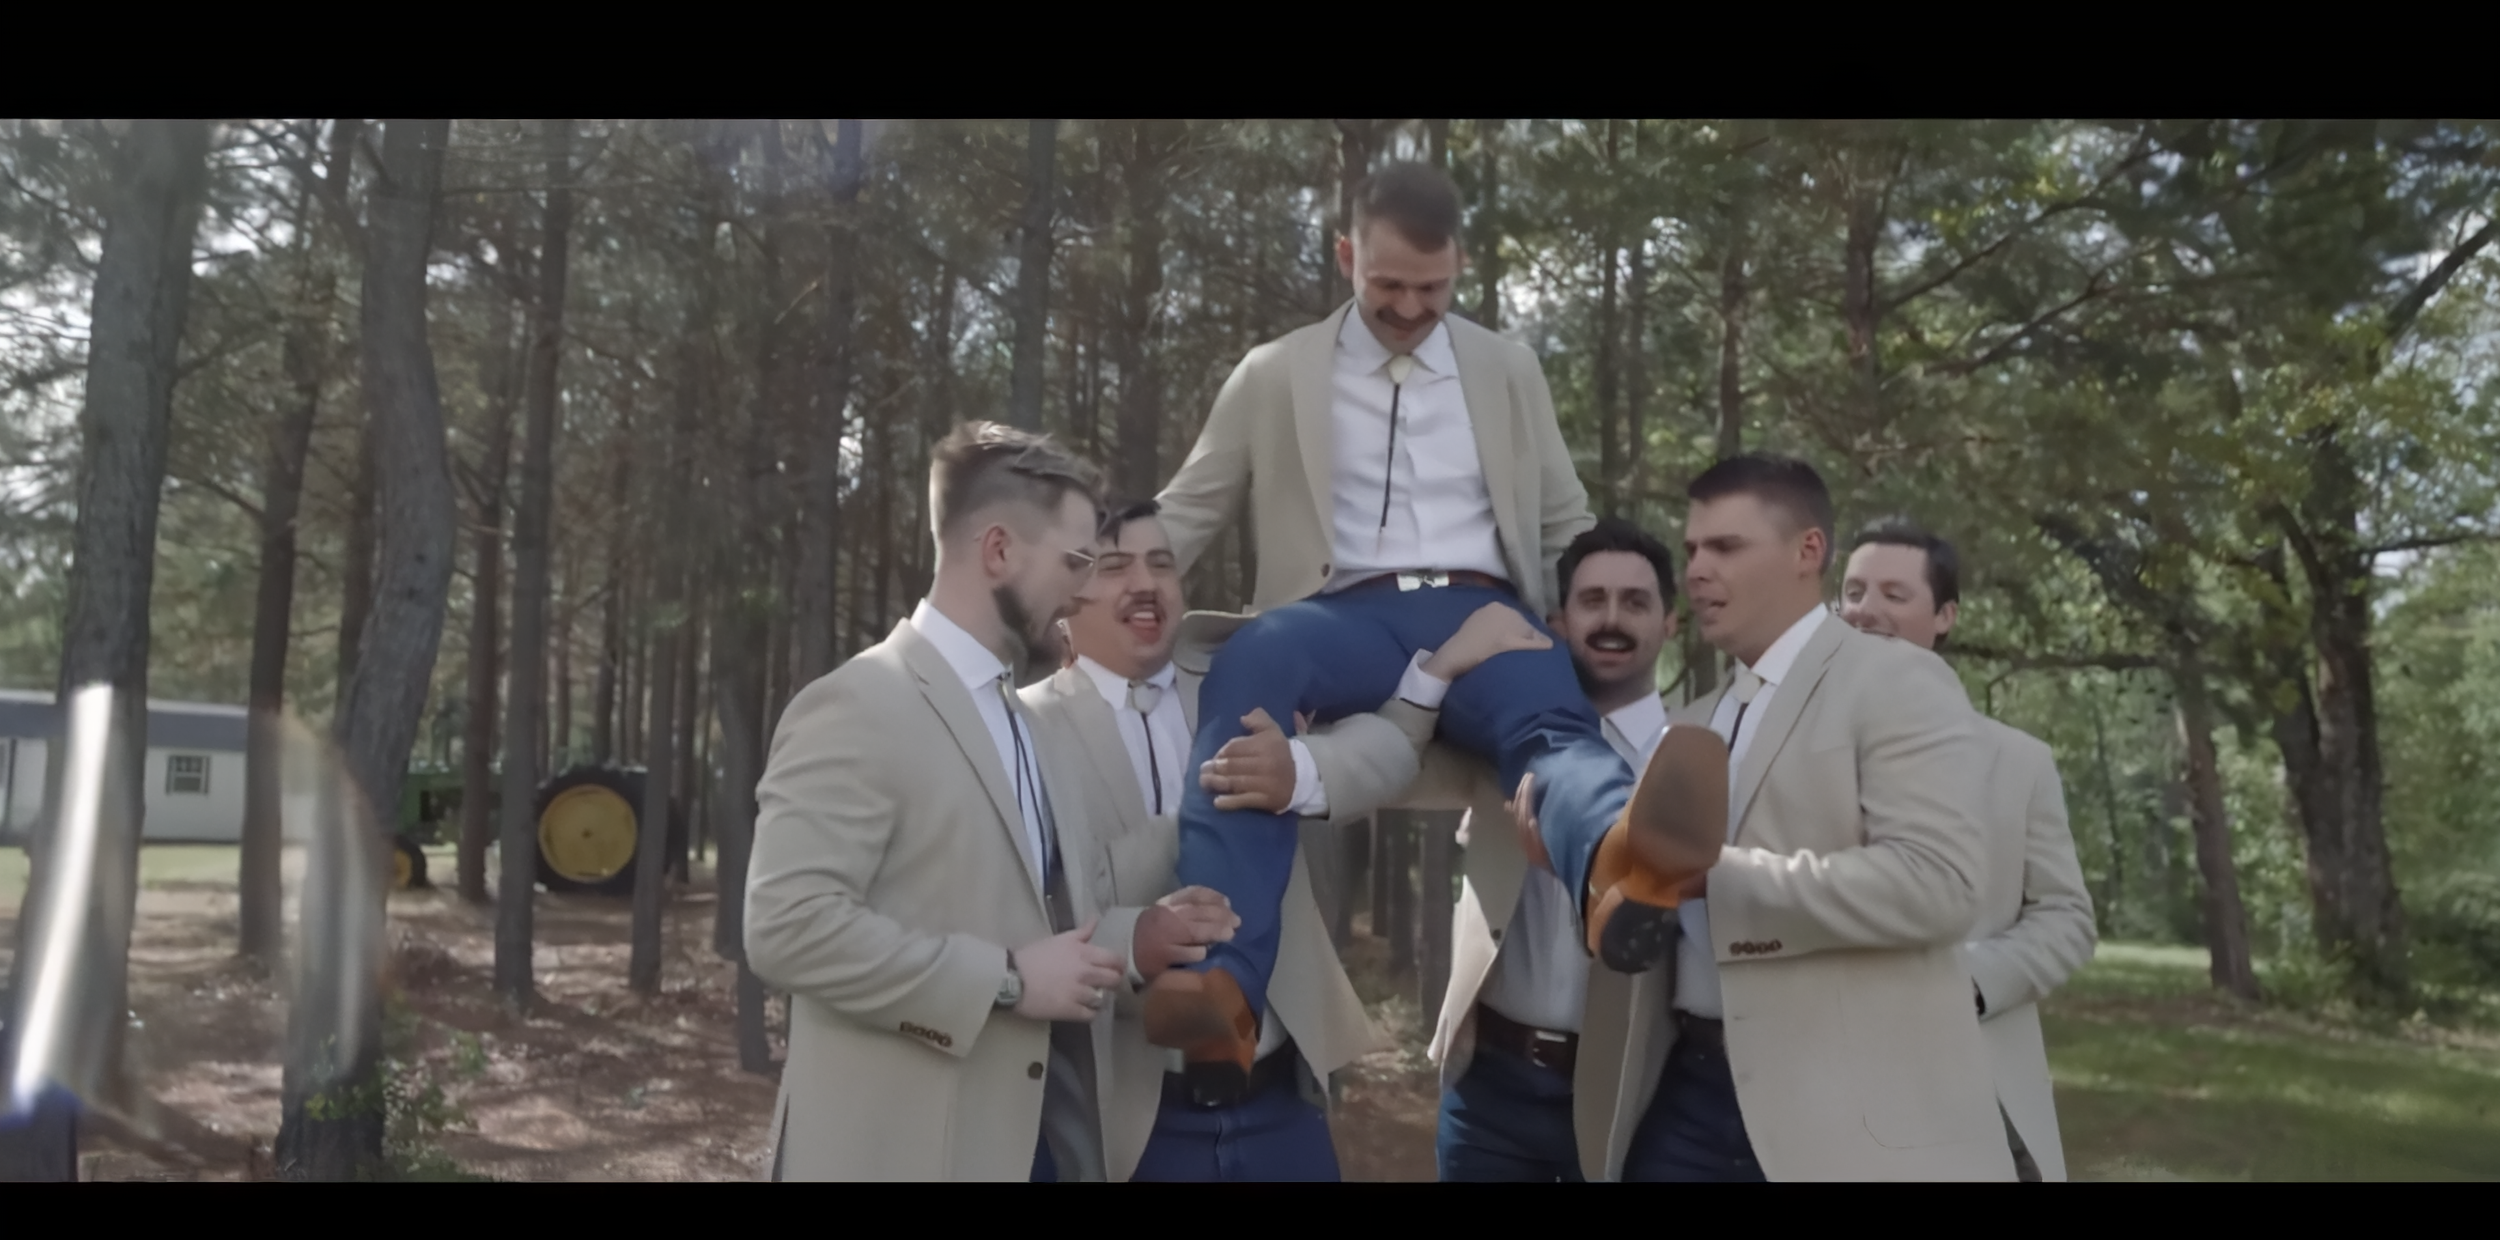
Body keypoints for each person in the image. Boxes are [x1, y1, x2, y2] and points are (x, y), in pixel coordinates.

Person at [1145, 161, 1721, 1103]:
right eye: (1387, 287)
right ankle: (1219, 987)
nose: (1411, 307)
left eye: (1433, 288)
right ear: (1345, 258)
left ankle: (1619, 865)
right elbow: (1187, 510)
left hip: (1482, 606)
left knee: (1551, 720)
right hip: (1338, 613)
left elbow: (1561, 519)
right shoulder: (1274, 372)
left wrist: (1607, 601)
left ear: (1459, 267)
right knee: (1250, 666)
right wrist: (1096, 576)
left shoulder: (1507, 368)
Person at [1025, 498, 1547, 1180]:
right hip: (1126, 1120)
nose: (1145, 583)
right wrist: (1168, 894)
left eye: (1162, 563)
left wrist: (1317, 757)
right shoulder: (1025, 732)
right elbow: (1032, 923)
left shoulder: (1249, 678)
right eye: (1113, 567)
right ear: (1066, 593)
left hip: (1280, 1100)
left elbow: (1391, 753)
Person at [1560, 454, 2013, 1181]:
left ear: (1809, 552)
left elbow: (1941, 885)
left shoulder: (1899, 679)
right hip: (1690, 1093)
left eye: (1727, 547)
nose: (1699, 570)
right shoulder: (1695, 724)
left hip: (1846, 1105)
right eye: (1693, 550)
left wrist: (1720, 876)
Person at [744, 421, 1123, 1182]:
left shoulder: (1028, 722)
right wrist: (1009, 979)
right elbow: (786, 929)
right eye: (1076, 561)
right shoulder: (856, 703)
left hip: (1027, 1148)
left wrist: (1150, 930)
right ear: (998, 551)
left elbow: (1030, 909)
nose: (1088, 590)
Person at [1839, 518, 2096, 1182]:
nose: (1867, 609)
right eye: (1854, 590)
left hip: (1968, 1093)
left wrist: (1974, 983)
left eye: (1894, 594)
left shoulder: (2019, 763)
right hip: (1820, 1090)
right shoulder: (1785, 751)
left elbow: (2066, 917)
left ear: (1945, 615)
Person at [1428, 517, 1685, 1181]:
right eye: (1591, 601)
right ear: (1557, 621)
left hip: (1635, 1091)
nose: (1612, 620)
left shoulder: (1695, 764)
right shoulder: (1496, 744)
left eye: (1635, 602)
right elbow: (1378, 765)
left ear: (1670, 624)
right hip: (1489, 1092)